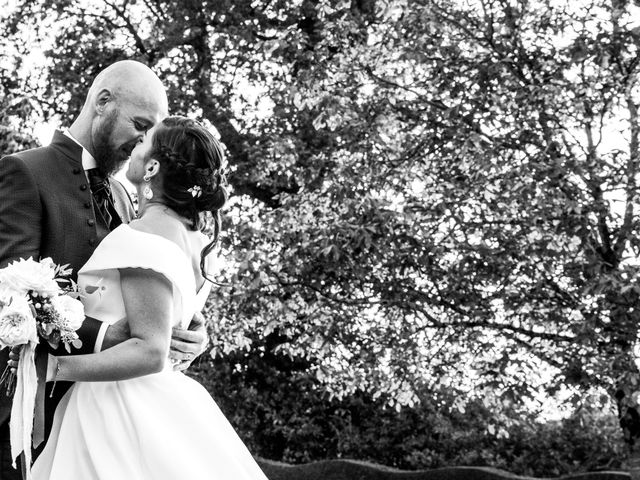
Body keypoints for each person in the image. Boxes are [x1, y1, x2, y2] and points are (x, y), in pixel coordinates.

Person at [30, 116, 268, 479]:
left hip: (114, 408)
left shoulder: (142, 233)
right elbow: (170, 328)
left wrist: (52, 369)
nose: (136, 144)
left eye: (144, 141)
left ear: (153, 166)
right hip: (163, 402)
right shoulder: (198, 244)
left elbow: (151, 349)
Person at [0, 61, 207, 479]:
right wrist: (112, 338)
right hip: (23, 419)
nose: (144, 142)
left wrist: (189, 329)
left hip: (109, 421)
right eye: (140, 124)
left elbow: (144, 287)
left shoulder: (127, 197)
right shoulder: (24, 170)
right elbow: (7, 292)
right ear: (103, 102)